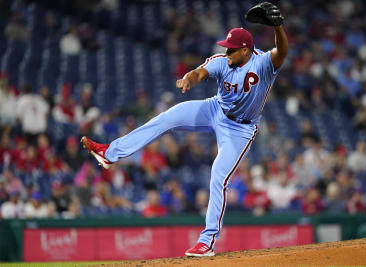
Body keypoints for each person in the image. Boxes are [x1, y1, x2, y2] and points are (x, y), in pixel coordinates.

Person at [81, 8, 288, 257]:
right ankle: (109, 153)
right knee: (166, 118)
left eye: (231, 48)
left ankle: (207, 241)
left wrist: (277, 28)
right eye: (226, 47)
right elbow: (201, 71)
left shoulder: (262, 63)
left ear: (245, 50)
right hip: (215, 109)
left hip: (240, 128)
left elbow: (282, 52)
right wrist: (190, 78)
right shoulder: (223, 60)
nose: (226, 51)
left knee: (218, 177)